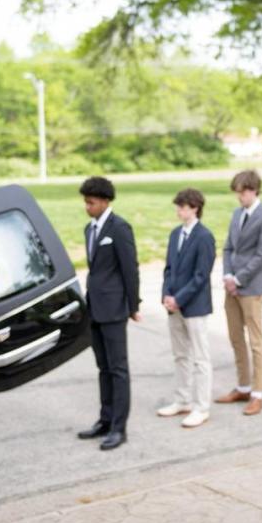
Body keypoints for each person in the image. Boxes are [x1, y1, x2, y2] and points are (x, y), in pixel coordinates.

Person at [76, 177, 142, 451]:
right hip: (95, 309)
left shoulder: (120, 228)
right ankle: (104, 419)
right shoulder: (89, 229)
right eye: (85, 202)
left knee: (118, 369)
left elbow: (130, 269)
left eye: (90, 202)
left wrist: (133, 305)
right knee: (102, 368)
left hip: (114, 309)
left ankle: (119, 427)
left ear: (104, 201)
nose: (86, 207)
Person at [215, 170, 262, 416]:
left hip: (252, 287)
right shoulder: (236, 214)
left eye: (242, 192)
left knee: (255, 341)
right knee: (235, 337)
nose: (239, 197)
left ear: (253, 190)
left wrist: (239, 278)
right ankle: (242, 386)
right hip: (232, 286)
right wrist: (228, 276)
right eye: (237, 193)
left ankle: (257, 393)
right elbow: (229, 247)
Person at [157, 188, 216, 429]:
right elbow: (169, 268)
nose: (178, 210)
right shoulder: (175, 234)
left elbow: (201, 275)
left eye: (182, 206)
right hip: (174, 305)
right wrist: (166, 295)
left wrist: (179, 298)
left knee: (200, 358)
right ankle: (182, 400)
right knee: (180, 355)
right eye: (178, 206)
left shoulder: (204, 236)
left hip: (195, 306)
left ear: (194, 208)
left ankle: (201, 407)